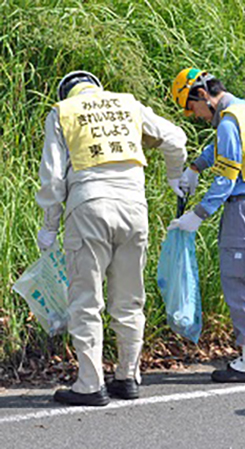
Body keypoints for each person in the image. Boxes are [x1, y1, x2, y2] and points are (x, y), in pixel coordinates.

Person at [37, 70, 188, 406]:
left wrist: (49, 225)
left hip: (89, 207)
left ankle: (90, 385)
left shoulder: (62, 112)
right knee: (130, 300)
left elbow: (52, 178)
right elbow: (175, 138)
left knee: (87, 301)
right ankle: (127, 376)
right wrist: (174, 176)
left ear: (68, 92)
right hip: (134, 208)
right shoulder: (128, 104)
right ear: (97, 88)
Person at [169, 68, 245, 383]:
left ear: (202, 95)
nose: (195, 116)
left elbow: (227, 176)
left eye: (192, 108)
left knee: (241, 280)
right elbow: (224, 146)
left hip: (244, 211)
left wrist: (199, 213)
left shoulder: (229, 121)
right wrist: (195, 167)